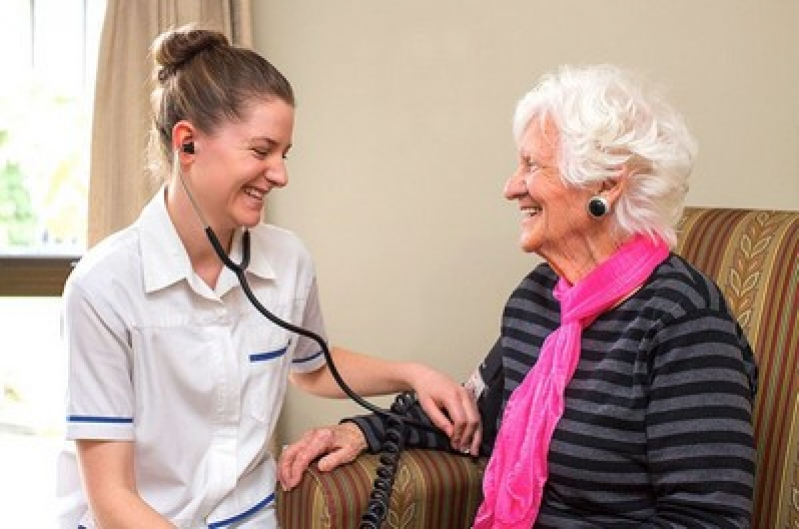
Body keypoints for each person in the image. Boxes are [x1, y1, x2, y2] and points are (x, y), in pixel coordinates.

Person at [278, 64, 758, 527]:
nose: (511, 187)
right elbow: (474, 416)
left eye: (531, 165)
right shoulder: (539, 300)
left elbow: (707, 517)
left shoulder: (684, 320)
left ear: (606, 185)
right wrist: (363, 432)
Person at [56, 25, 479, 528]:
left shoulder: (288, 260)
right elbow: (111, 498)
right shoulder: (103, 287)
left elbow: (311, 367)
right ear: (187, 144)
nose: (280, 174)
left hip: (249, 517)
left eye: (285, 154)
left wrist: (412, 374)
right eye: (261, 151)